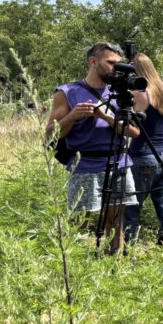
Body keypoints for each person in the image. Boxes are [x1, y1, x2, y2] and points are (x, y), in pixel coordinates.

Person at [45, 42, 138, 252]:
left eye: (118, 63)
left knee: (116, 223)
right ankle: (76, 266)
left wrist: (105, 117)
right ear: (93, 62)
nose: (116, 68)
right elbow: (50, 134)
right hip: (85, 164)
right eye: (111, 63)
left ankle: (115, 263)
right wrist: (72, 116)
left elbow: (134, 132)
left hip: (118, 161)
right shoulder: (68, 92)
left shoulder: (121, 93)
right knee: (80, 222)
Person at [123, 53, 163, 244]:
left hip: (142, 156)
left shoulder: (139, 94)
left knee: (132, 210)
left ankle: (126, 255)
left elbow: (132, 129)